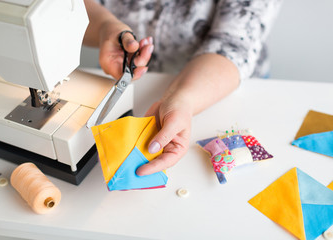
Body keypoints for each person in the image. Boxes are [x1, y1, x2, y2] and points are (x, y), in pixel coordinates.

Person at [82, 0, 282, 176]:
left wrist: (181, 101)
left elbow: (233, 44)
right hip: (127, 81)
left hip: (217, 88)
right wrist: (105, 27)